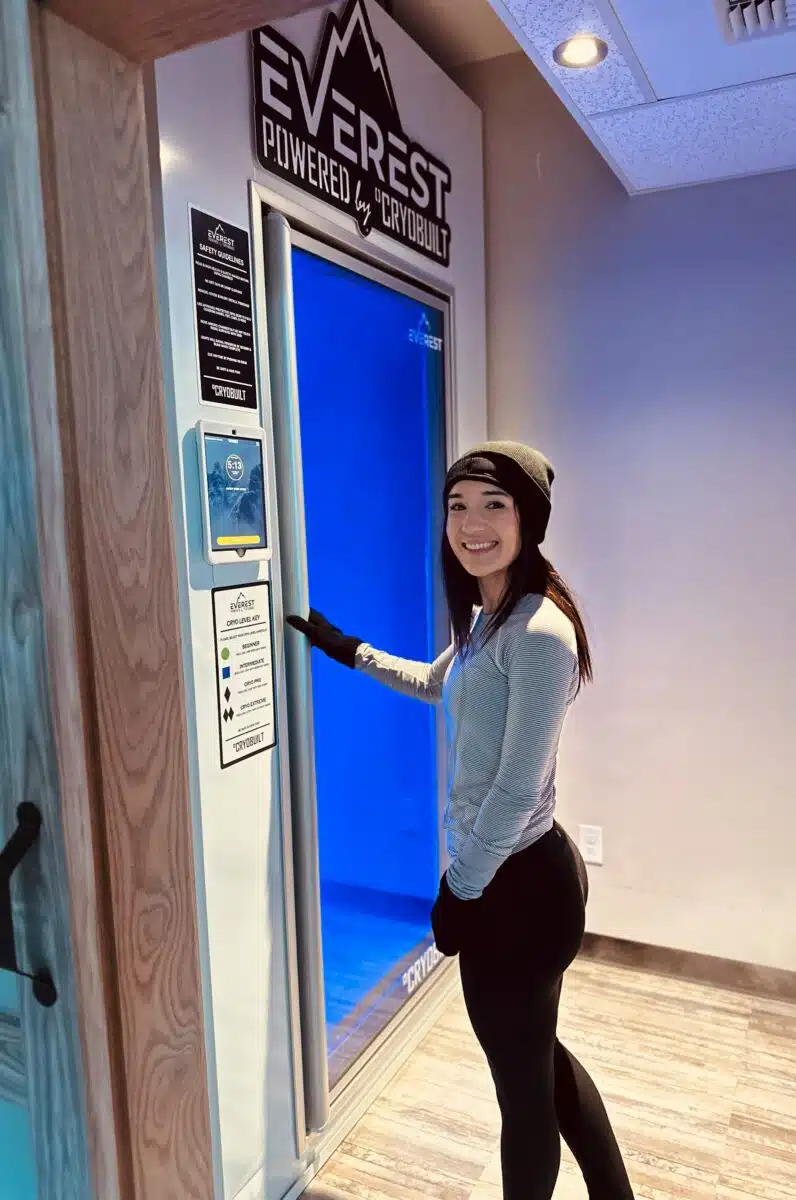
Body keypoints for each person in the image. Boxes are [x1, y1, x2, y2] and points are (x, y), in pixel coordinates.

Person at [288, 441, 634, 1200]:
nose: (471, 524)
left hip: (522, 885)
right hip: (507, 877)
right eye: (458, 506)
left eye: (494, 506)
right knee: (533, 1056)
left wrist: (460, 892)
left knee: (522, 1090)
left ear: (529, 520)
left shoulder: (541, 633)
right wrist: (344, 647)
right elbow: (436, 681)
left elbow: (516, 789)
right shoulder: (489, 619)